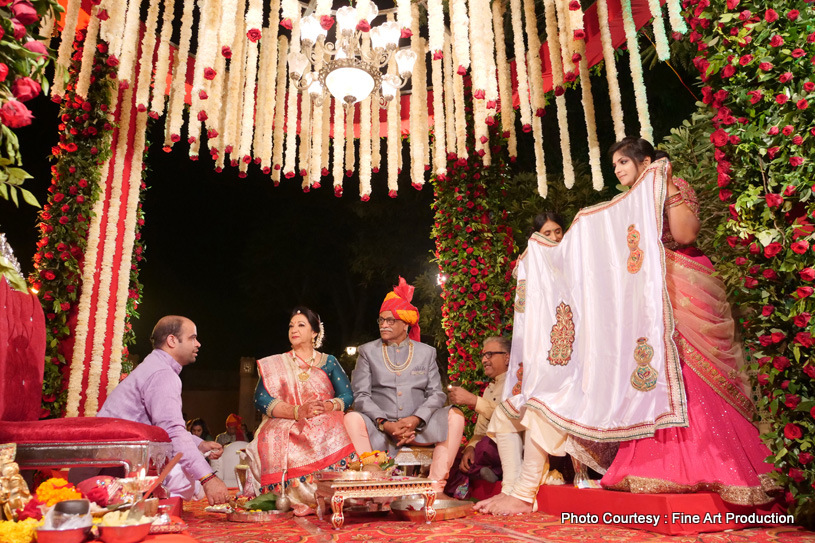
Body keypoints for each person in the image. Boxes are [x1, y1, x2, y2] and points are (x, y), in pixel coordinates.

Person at [599, 137, 777, 504]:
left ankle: (719, 468)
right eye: (614, 164)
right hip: (645, 297)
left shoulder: (673, 186)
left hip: (683, 288)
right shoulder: (624, 203)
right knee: (657, 375)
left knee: (694, 372)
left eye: (623, 162)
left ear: (646, 160)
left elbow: (684, 235)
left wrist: (665, 187)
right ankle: (657, 467)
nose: (617, 170)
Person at [344, 277, 466, 495]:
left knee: (455, 416)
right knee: (352, 417)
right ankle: (372, 480)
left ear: (405, 324)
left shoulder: (426, 352)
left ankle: (435, 487)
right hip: (380, 428)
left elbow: (436, 394)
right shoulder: (367, 351)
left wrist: (414, 420)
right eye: (381, 320)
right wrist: (385, 423)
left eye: (390, 321)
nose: (384, 325)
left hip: (419, 426)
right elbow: (361, 395)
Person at [97, 316, 230, 505]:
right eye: (192, 338)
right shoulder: (162, 374)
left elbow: (157, 427)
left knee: (183, 464)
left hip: (111, 459)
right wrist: (208, 478)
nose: (198, 344)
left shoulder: (154, 366)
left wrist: (200, 445)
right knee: (180, 474)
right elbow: (171, 431)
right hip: (114, 468)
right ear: (172, 340)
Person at [243, 307, 356, 516]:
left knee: (335, 424)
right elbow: (260, 399)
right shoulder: (275, 364)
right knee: (271, 435)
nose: (294, 329)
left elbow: (347, 395)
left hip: (322, 416)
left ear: (315, 332)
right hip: (286, 419)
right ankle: (291, 497)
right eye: (291, 326)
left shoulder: (329, 362)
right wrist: (296, 411)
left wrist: (329, 406)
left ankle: (333, 493)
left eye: (301, 325)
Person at [444, 336, 510, 498]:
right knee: (452, 454)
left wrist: (473, 400)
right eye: (483, 355)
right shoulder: (490, 388)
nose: (484, 360)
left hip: (507, 442)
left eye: (490, 354)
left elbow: (509, 417)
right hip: (486, 447)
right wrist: (470, 447)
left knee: (486, 446)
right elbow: (480, 429)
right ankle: (468, 484)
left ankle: (493, 471)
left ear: (507, 357)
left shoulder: (515, 383)